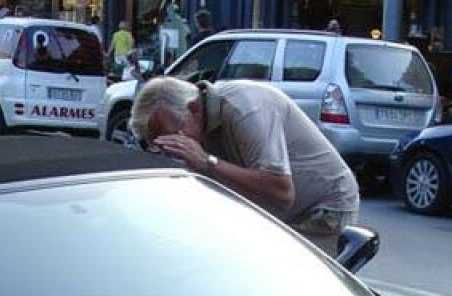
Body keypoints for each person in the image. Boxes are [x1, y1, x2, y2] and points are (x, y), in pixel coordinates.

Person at [130, 77, 359, 255]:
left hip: (323, 208)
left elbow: (281, 191)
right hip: (281, 212)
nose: (173, 146)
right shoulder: (197, 129)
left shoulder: (246, 108)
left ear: (193, 110)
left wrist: (207, 162)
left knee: (293, 286)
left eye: (173, 136)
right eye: (159, 144)